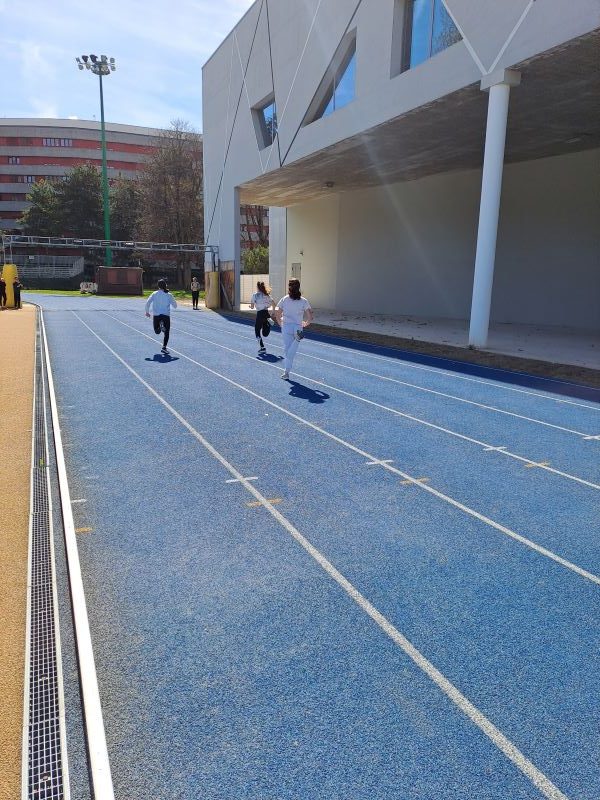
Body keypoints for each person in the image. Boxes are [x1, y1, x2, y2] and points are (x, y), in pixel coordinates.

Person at [274, 279, 313, 380]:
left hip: (286, 326)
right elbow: (310, 315)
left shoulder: (284, 299)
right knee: (292, 349)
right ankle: (297, 338)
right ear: (299, 287)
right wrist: (307, 323)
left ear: (289, 287)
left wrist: (279, 322)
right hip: (298, 327)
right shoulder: (304, 300)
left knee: (287, 350)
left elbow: (277, 311)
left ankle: (286, 373)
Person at [145, 278, 177, 354]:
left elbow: (148, 302)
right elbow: (175, 306)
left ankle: (159, 326)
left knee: (157, 331)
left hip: (156, 315)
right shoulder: (169, 295)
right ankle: (164, 347)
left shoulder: (154, 293)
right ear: (165, 285)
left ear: (158, 286)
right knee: (167, 332)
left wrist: (147, 312)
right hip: (166, 315)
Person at [249, 280, 275, 355]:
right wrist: (273, 312)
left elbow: (252, 306)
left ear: (257, 287)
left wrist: (250, 306)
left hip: (260, 314)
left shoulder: (255, 295)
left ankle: (262, 347)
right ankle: (268, 324)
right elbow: (274, 303)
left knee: (257, 331)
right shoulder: (267, 295)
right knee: (265, 334)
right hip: (266, 314)